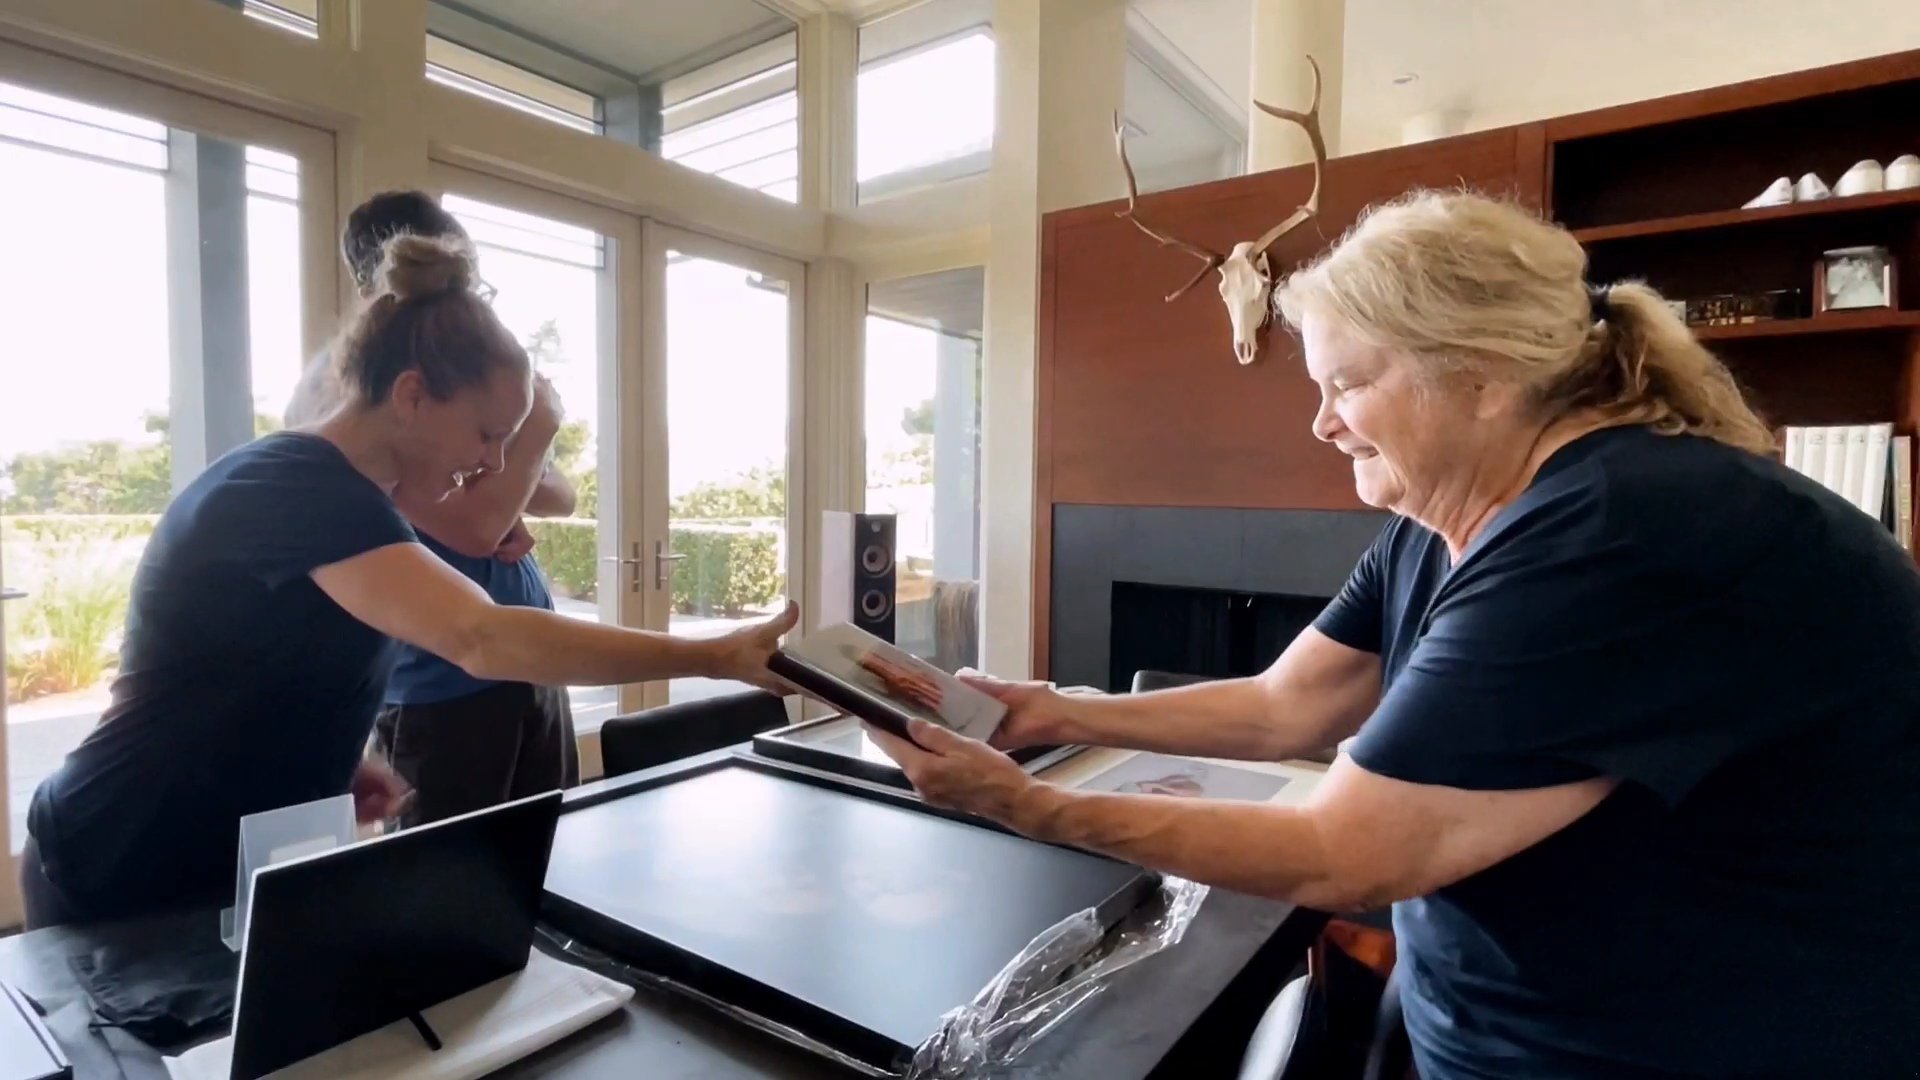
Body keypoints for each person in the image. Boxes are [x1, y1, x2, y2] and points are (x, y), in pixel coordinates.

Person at [864, 191, 1920, 1077]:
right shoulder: (1445, 519)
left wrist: (1027, 804)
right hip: (1508, 1019)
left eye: (1348, 384)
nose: (1321, 423)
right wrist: (1052, 712)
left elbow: (1347, 853)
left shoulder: (1621, 529)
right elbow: (1288, 705)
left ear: (1482, 372)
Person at [22, 231, 795, 929]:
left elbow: (255, 662)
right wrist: (713, 655)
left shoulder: (358, 506)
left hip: (213, 860)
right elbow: (482, 637)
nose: (495, 462)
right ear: (412, 395)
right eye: (488, 434)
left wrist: (332, 759)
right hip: (121, 853)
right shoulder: (301, 484)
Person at [288, 190, 584, 829]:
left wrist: (497, 474)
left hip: (527, 659)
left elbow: (560, 495)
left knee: (551, 856)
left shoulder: (464, 377)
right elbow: (475, 528)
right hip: (443, 685)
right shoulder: (347, 390)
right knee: (444, 877)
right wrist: (538, 427)